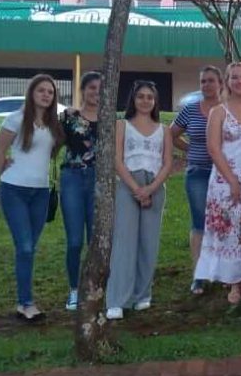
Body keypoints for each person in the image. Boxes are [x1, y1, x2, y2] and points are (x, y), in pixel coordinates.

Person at [194, 63, 241, 304]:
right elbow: (213, 149)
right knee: (229, 227)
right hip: (226, 178)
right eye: (235, 78)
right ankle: (233, 282)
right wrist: (232, 181)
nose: (240, 81)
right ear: (227, 81)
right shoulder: (219, 112)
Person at [0, 74, 64, 322]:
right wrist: (3, 175)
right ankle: (26, 303)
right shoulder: (15, 119)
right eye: (41, 90)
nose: (46, 95)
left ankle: (25, 299)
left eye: (50, 92)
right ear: (31, 93)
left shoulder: (54, 123)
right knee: (23, 246)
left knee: (30, 248)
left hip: (41, 192)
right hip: (14, 190)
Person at [106, 80, 174, 320]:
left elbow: (167, 162)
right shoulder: (122, 125)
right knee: (124, 242)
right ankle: (117, 299)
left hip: (155, 185)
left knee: (149, 242)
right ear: (133, 100)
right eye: (140, 96)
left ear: (155, 101)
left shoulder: (163, 129)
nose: (145, 101)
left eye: (150, 97)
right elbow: (116, 159)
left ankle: (142, 294)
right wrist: (137, 189)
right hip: (128, 183)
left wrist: (151, 188)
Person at [171, 66, 222, 295]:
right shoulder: (191, 110)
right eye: (203, 81)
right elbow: (171, 133)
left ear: (220, 83)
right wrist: (189, 148)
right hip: (198, 172)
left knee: (222, 222)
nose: (206, 85)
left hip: (223, 175)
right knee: (199, 221)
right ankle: (198, 274)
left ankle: (222, 270)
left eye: (211, 81)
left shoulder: (227, 110)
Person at [57, 71, 100, 311]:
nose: (96, 92)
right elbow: (53, 145)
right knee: (75, 240)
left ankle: (94, 288)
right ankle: (74, 290)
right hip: (72, 178)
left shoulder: (110, 119)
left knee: (96, 239)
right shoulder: (69, 117)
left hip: (98, 181)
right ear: (83, 90)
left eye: (101, 88)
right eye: (91, 87)